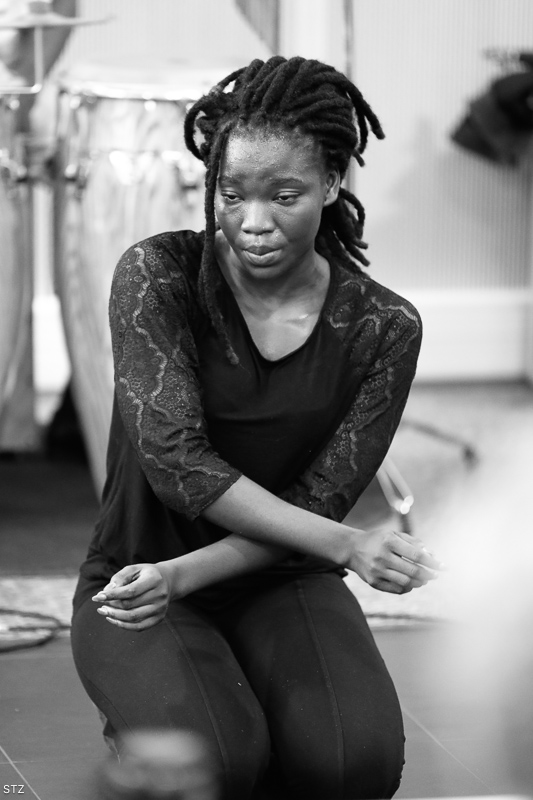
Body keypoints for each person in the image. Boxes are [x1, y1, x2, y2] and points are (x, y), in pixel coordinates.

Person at [70, 55, 443, 800]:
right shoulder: (157, 276)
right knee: (213, 767)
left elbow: (318, 501)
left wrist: (188, 573)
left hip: (279, 573)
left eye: (284, 195)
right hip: (136, 579)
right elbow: (181, 468)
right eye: (231, 193)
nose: (252, 222)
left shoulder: (382, 327)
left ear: (332, 182)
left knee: (354, 766)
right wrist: (349, 545)